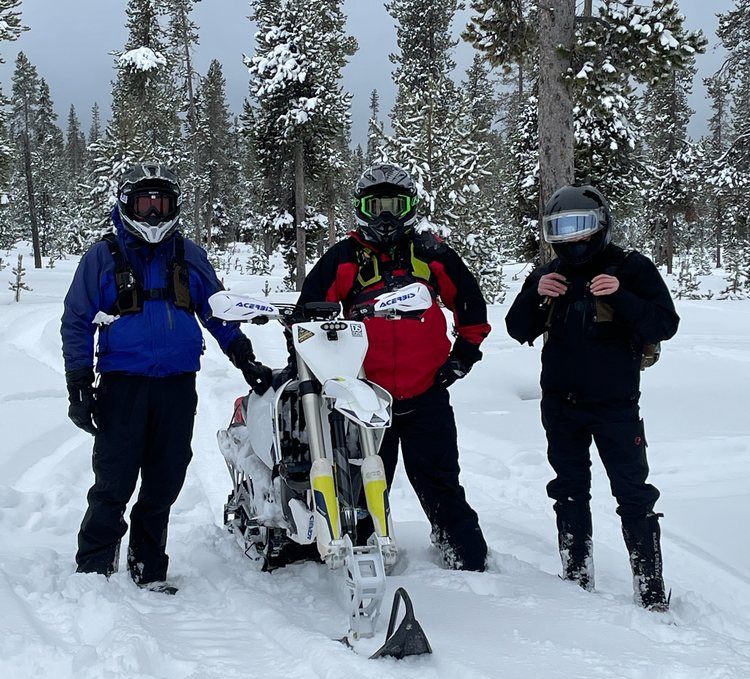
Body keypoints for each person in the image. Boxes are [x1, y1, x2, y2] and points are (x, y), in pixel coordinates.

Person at [61, 162, 272, 594]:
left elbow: (219, 311)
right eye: (146, 203)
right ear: (128, 205)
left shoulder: (188, 255)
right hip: (123, 383)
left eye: (162, 203)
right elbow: (77, 319)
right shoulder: (103, 257)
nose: (154, 213)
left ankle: (148, 565)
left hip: (177, 384)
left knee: (166, 475)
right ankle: (94, 566)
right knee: (115, 477)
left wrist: (243, 356)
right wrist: (79, 383)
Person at [294, 162, 491, 572]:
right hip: (365, 396)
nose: (385, 215)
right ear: (361, 207)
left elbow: (470, 304)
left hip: (426, 390)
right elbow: (305, 318)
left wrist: (463, 356)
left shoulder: (431, 254)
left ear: (409, 207)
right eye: (376, 204)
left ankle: (458, 546)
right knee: (363, 484)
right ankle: (363, 551)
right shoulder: (342, 259)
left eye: (393, 204)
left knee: (441, 481)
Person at [505, 184, 679, 610]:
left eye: (580, 227)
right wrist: (535, 294)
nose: (572, 239)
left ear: (600, 224)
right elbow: (516, 328)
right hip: (560, 405)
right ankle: (575, 576)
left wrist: (620, 295)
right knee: (568, 489)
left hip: (616, 407)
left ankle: (651, 588)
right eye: (560, 230)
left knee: (634, 494)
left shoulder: (631, 267)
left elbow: (665, 324)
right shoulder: (550, 273)